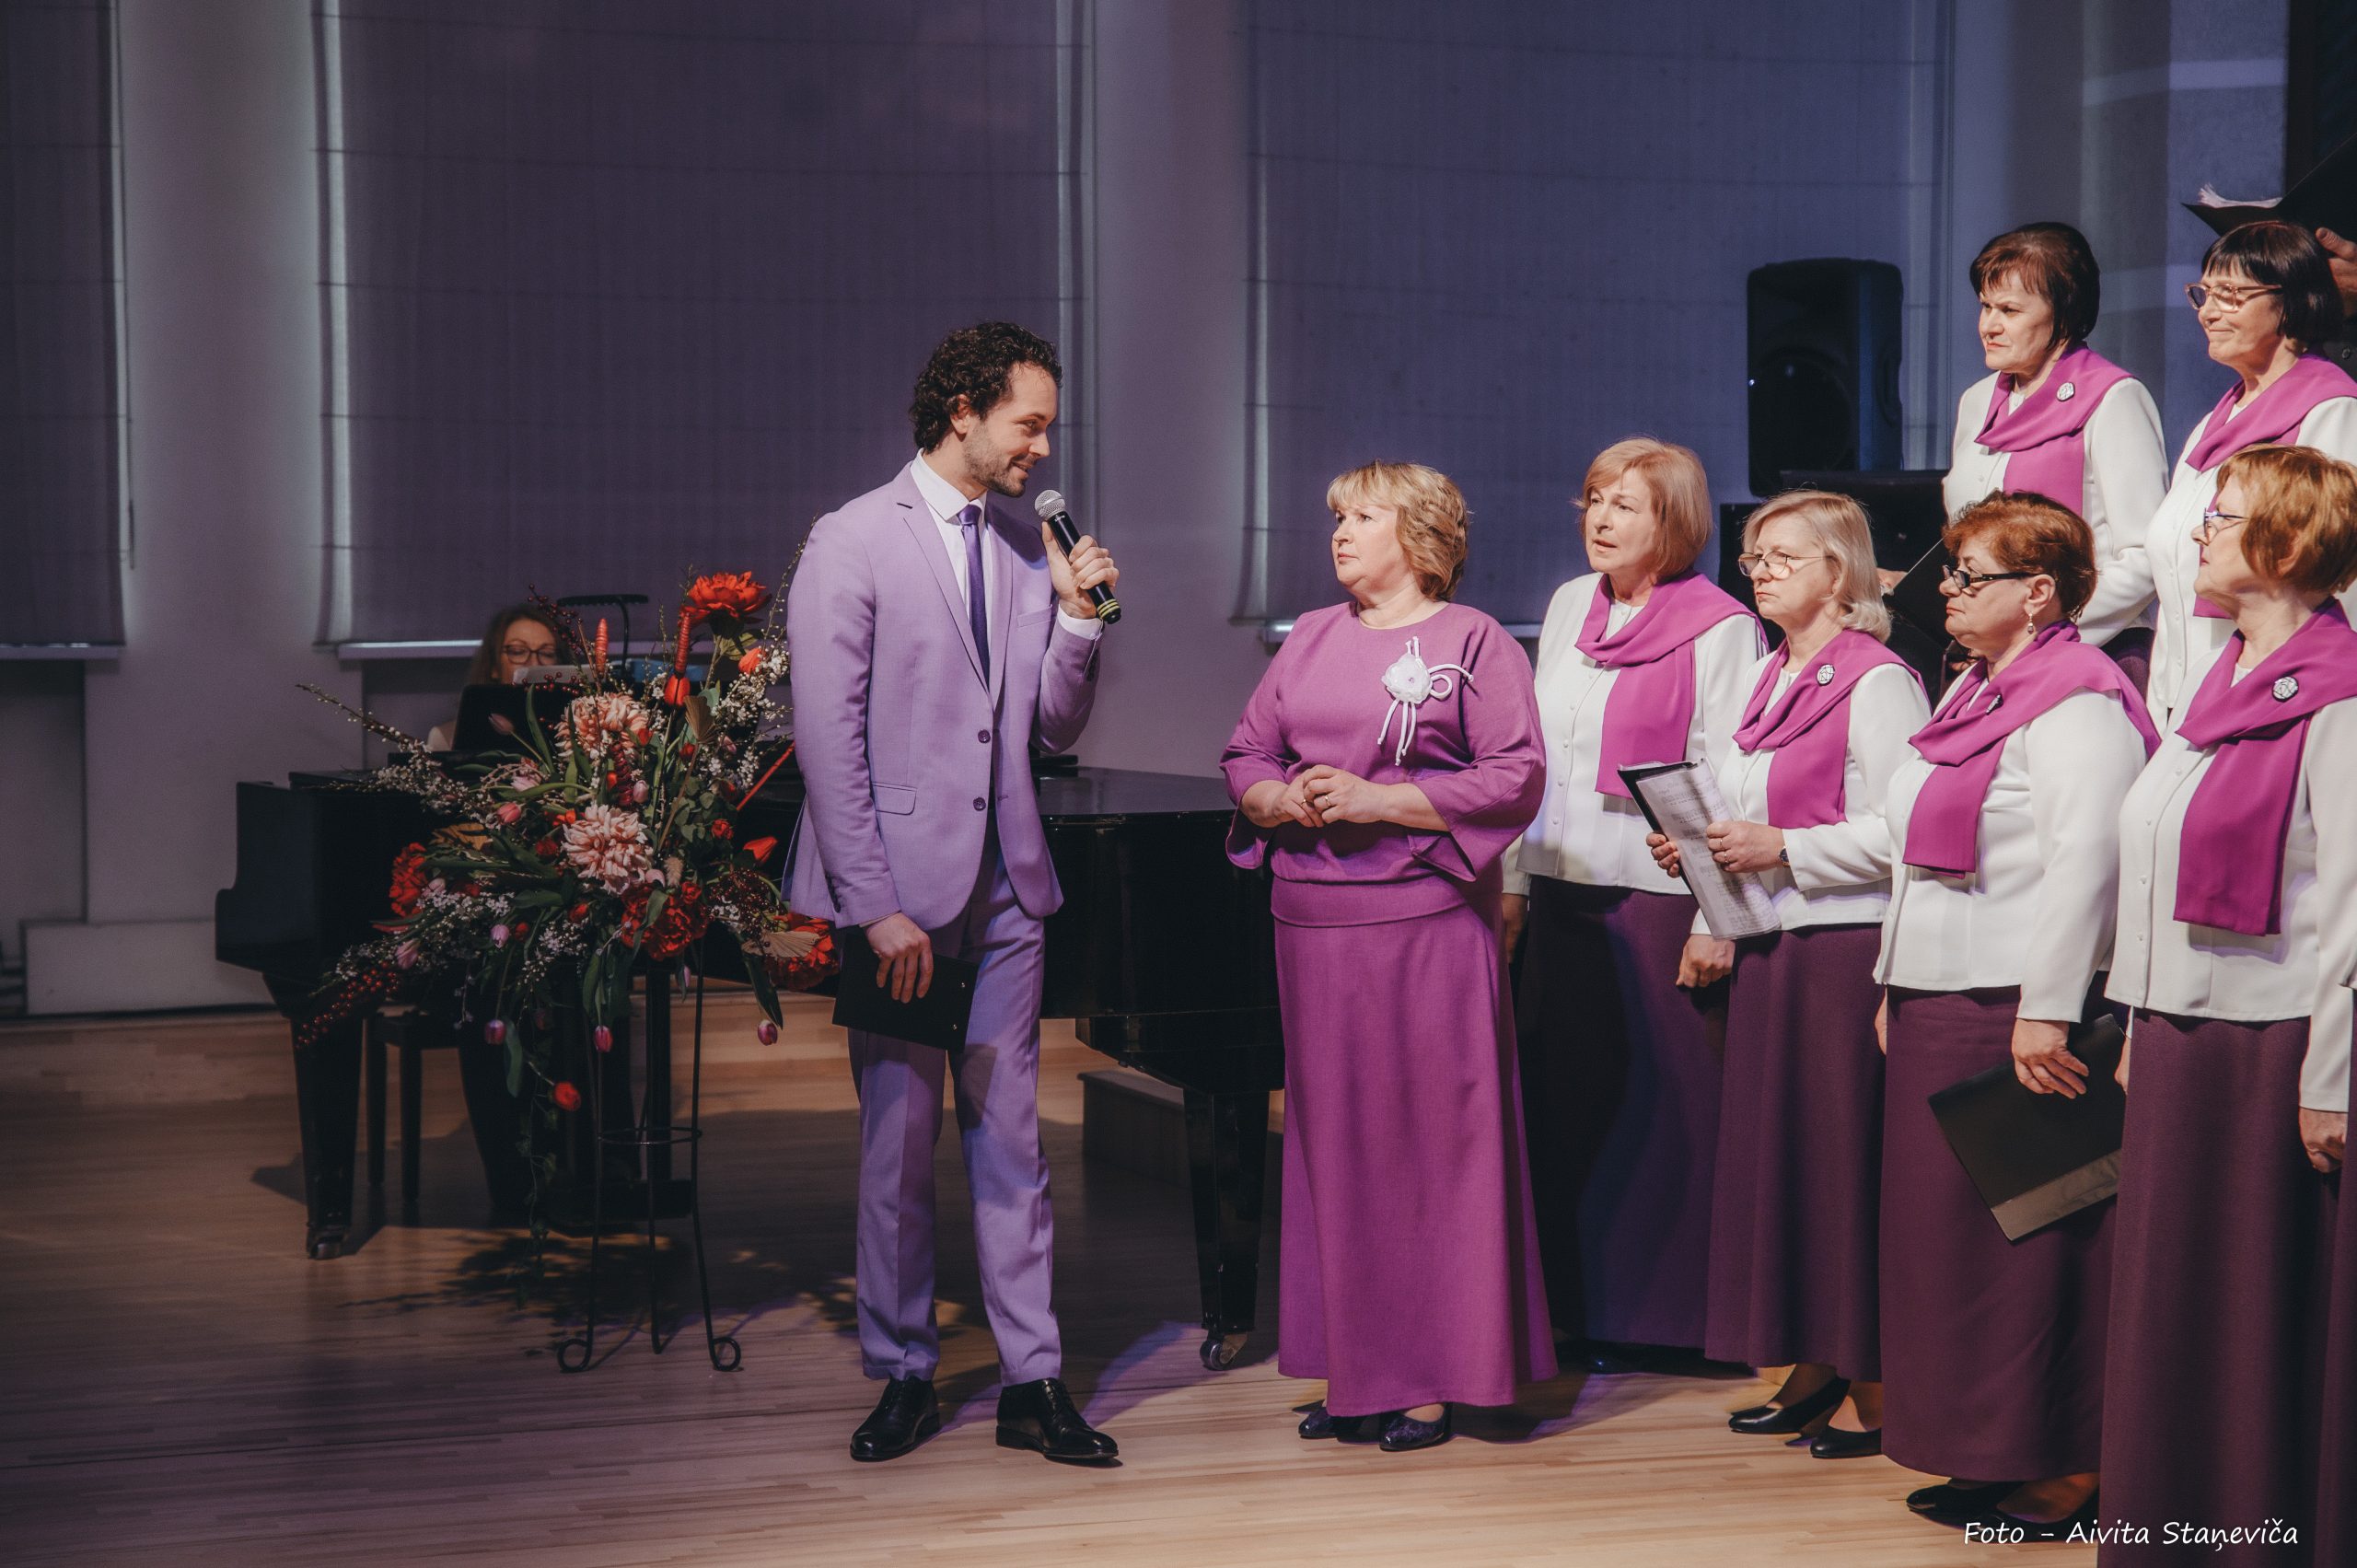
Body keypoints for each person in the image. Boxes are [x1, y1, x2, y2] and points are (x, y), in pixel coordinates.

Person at [784, 320, 1120, 1465]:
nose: (1042, 448)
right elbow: (826, 736)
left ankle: (1032, 1378)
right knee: (897, 1144)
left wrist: (1076, 615)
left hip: (1007, 885)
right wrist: (872, 902)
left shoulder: (1028, 554)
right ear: (963, 411)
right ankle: (901, 1371)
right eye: (1029, 424)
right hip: (899, 895)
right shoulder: (851, 538)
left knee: (1013, 1141)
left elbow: (1050, 727)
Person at [1222, 461, 1554, 1453]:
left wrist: (1381, 801)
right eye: (1337, 515)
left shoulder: (1474, 640)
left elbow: (1516, 773)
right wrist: (1270, 796)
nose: (1340, 531)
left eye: (1362, 515)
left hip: (1423, 925)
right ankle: (1356, 1368)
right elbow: (1247, 750)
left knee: (1429, 1147)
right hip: (1311, 923)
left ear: (1418, 535)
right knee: (1335, 1149)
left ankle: (1433, 1377)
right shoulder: (1311, 636)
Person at [1873, 493, 2156, 1539]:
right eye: (1948, 572)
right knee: (1946, 1248)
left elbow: (2089, 863)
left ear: (2039, 593)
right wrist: (1891, 981)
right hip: (1939, 996)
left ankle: (2070, 1460)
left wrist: (2047, 1010)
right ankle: (1987, 1447)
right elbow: (1910, 851)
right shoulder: (1974, 690)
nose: (1945, 590)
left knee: (2036, 1240)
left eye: (1968, 574)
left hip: (2013, 1007)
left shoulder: (2079, 699)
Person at [2100, 445, 2357, 1563]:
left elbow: (2352, 910)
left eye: (2224, 514)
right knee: (2170, 1312)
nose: (2198, 530)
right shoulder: (2219, 680)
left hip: (2270, 1054)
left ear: (2286, 547)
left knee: (2246, 1321)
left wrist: (2329, 1079)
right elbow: (2153, 855)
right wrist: (2135, 1015)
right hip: (2180, 1040)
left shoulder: (2341, 698)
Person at [1647, 491, 1928, 1459]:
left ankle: (1877, 1385)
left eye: (1781, 557)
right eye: (1753, 557)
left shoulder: (1879, 679)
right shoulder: (1772, 673)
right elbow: (1741, 803)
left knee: (1841, 1167)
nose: (1759, 572)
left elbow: (1905, 832)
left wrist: (1781, 845)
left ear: (1838, 571)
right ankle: (1816, 1361)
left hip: (1840, 949)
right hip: (1773, 942)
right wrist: (1695, 843)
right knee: (1790, 1167)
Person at [1503, 437, 1764, 1366]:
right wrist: (1513, 880)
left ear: (1675, 522)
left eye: (1626, 504)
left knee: (1669, 1116)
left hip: (1657, 899)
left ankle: (1683, 1327)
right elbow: (1533, 756)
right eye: (1594, 499)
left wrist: (1715, 915)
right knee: (1569, 1106)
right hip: (1561, 888)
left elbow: (1729, 778)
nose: (1601, 518)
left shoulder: (1722, 626)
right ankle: (1580, 1312)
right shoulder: (1569, 604)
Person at [2145, 220, 2357, 728]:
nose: (2208, 311)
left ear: (2290, 302)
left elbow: (2343, 572)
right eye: (2204, 294)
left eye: (2231, 295)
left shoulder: (2331, 410)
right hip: (2183, 685)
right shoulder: (2212, 423)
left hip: (2281, 691)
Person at [1942, 223, 2167, 689]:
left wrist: (2040, 629)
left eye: (2009, 310)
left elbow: (2145, 554)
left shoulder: (2113, 398)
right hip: (1992, 652)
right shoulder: (1977, 400)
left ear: (2062, 314)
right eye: (1985, 306)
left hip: (2088, 650)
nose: (1988, 326)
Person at [425, 604, 562, 750]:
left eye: (547, 654)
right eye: (517, 651)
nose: (534, 664)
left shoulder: (574, 734)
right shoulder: (447, 738)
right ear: (494, 666)